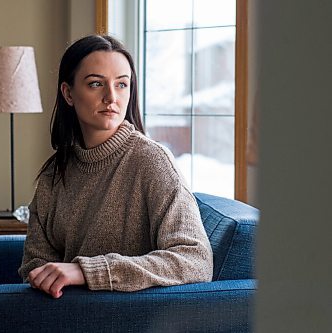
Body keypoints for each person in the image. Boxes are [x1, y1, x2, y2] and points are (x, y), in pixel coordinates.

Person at [18, 35, 213, 299]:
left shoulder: (152, 162)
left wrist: (88, 271)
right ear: (68, 93)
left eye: (122, 84)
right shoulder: (54, 174)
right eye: (96, 84)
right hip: (63, 316)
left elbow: (196, 261)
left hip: (133, 319)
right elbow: (34, 266)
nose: (111, 97)